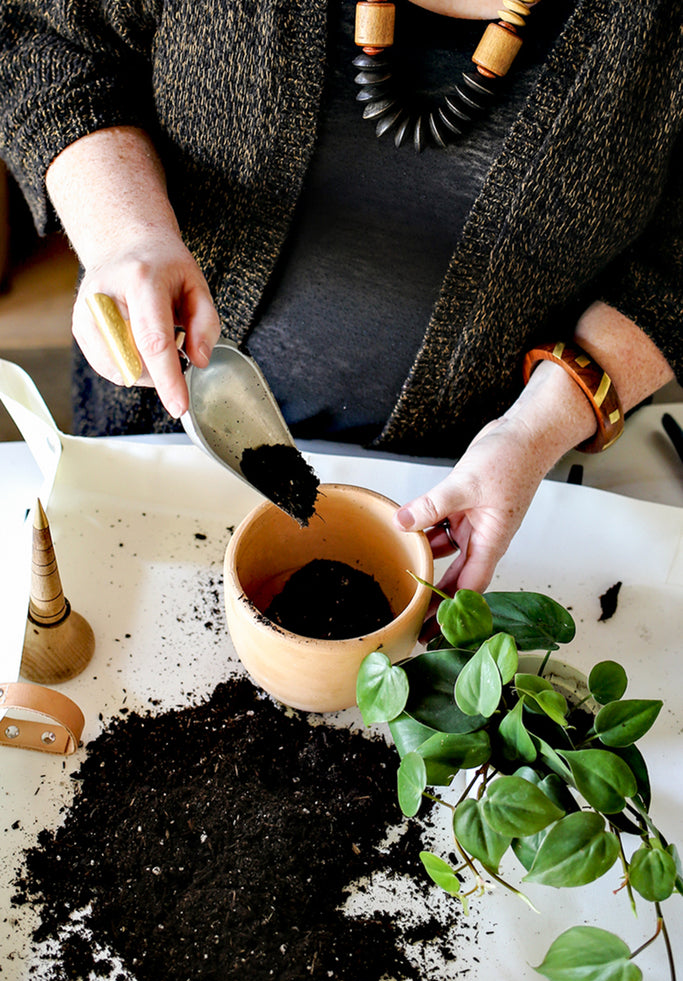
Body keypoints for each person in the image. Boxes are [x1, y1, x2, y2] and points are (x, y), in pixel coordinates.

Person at [0, 0, 680, 598]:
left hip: (473, 498)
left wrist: (532, 430)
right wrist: (124, 234)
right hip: (158, 444)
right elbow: (46, 41)